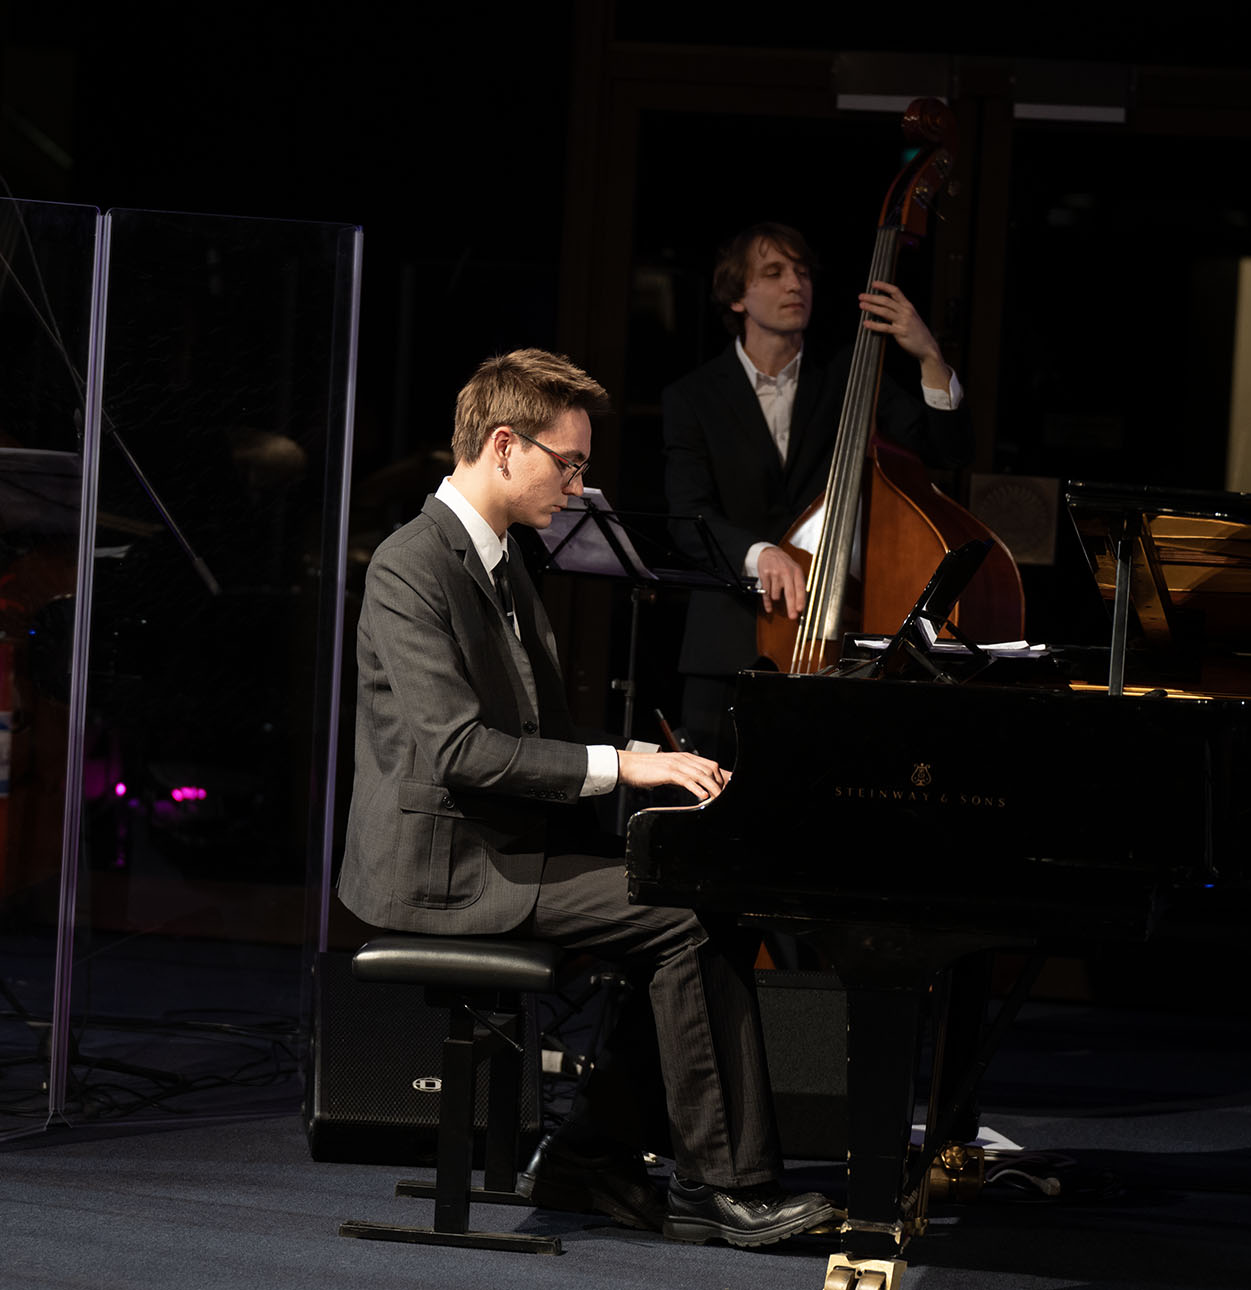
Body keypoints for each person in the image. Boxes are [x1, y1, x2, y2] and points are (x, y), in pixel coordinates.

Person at [339, 348, 837, 1248]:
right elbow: (458, 750)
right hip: (450, 868)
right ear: (503, 445)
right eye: (567, 465)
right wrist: (623, 769)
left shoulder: (502, 558)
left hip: (509, 842)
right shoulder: (412, 564)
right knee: (683, 920)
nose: (577, 487)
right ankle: (723, 1185)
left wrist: (651, 758)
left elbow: (538, 730)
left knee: (712, 897)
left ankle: (593, 1153)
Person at [663, 223, 973, 761]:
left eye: (802, 272)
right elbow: (688, 516)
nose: (795, 284)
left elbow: (947, 451)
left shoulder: (850, 372)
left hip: (839, 639)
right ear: (736, 296)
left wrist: (929, 356)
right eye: (774, 272)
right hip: (725, 649)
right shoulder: (691, 397)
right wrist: (760, 553)